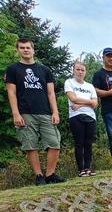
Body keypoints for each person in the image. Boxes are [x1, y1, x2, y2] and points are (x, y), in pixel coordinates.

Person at [5, 38, 64, 185]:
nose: (26, 50)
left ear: (33, 50)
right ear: (17, 50)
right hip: (25, 113)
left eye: (28, 48)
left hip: (45, 112)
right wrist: (16, 113)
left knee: (54, 143)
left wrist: (55, 112)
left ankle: (50, 174)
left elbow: (51, 93)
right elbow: (11, 93)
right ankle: (39, 176)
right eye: (22, 48)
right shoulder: (13, 70)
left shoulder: (45, 70)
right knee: (30, 145)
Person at [64, 61, 97, 177]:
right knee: (79, 143)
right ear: (73, 71)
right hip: (76, 116)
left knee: (88, 143)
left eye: (82, 70)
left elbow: (95, 104)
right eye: (78, 69)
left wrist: (81, 104)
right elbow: (73, 99)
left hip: (90, 116)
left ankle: (88, 167)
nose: (80, 72)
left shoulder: (90, 86)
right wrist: (88, 102)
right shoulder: (69, 82)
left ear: (85, 72)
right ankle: (81, 169)